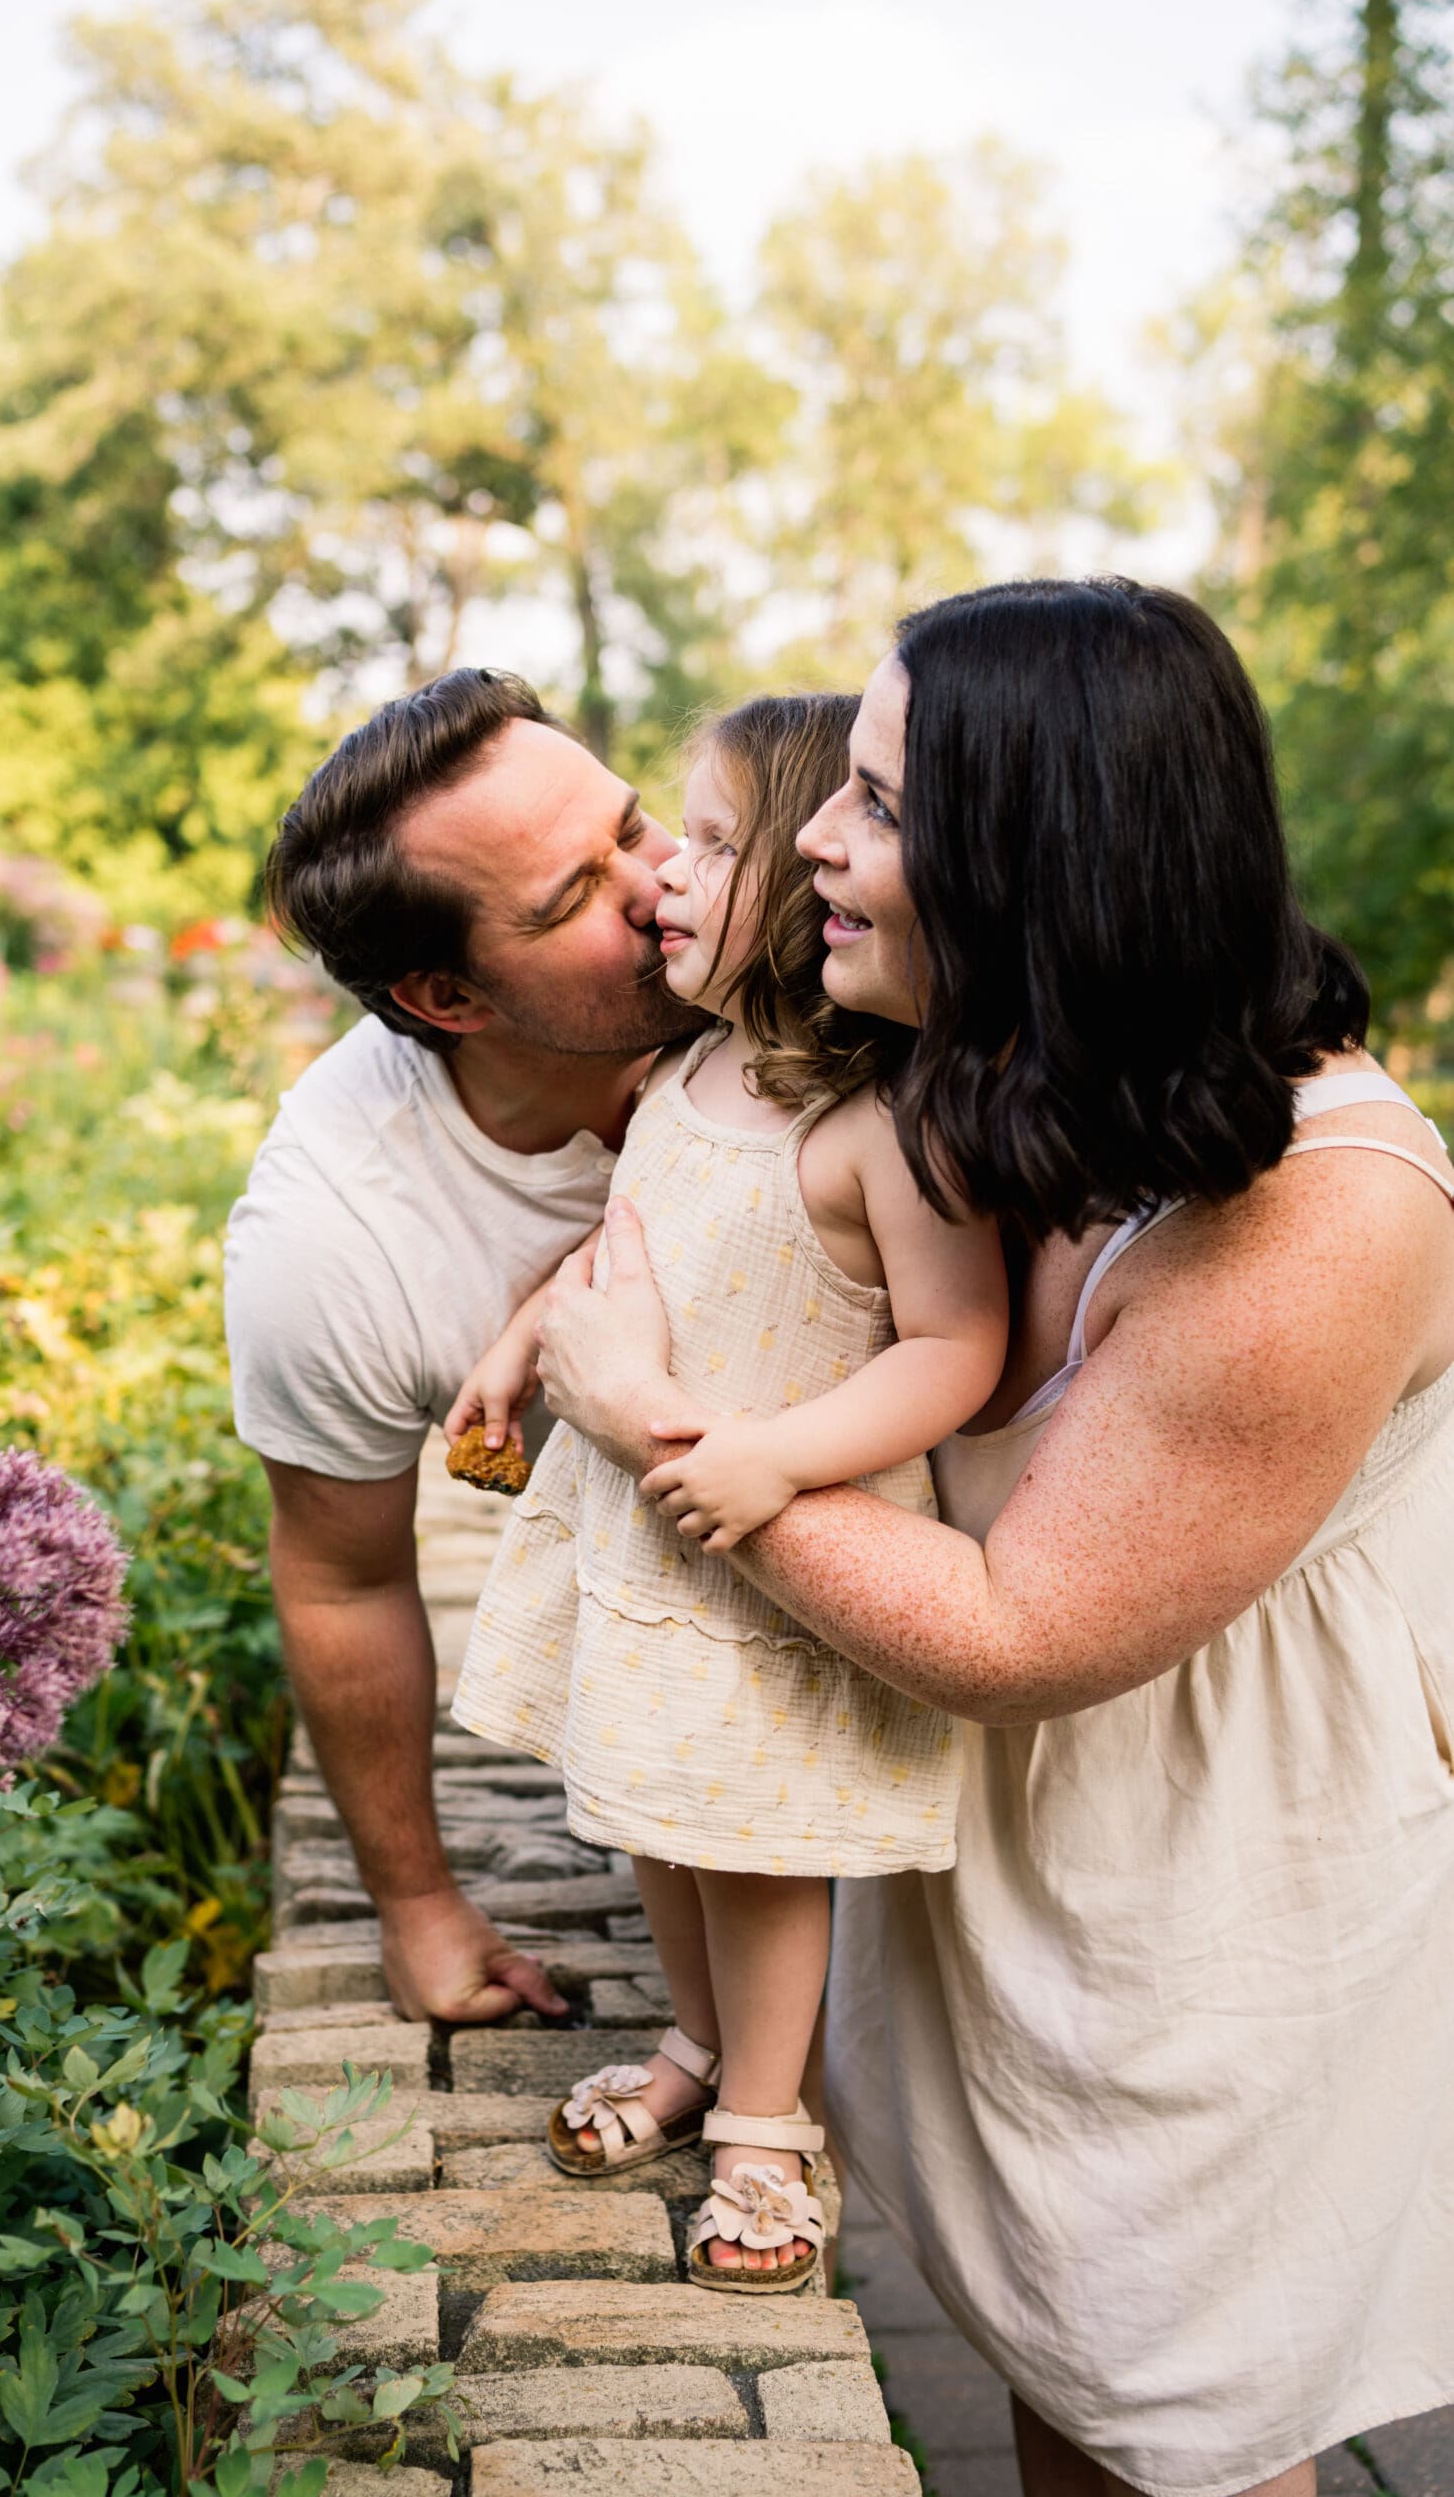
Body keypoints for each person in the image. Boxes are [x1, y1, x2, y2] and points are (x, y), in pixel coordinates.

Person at [531, 580, 1454, 2493]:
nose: (815, 848)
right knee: (1061, 2366)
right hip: (1023, 1835)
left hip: (1207, 1879)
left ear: (1046, 860)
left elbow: (1029, 1625)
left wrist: (653, 1428)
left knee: (1176, 2411)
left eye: (873, 806)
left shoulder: (1316, 1217)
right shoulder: (999, 1071)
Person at [447, 694, 1007, 2291]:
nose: (664, 880)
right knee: (655, 1818)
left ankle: (773, 2122)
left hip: (760, 1543)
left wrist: (778, 1459)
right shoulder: (686, 1072)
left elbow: (954, 1348)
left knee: (753, 1847)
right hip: (646, 1540)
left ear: (824, 888)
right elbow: (622, 1247)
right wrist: (515, 1343)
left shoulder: (874, 1132)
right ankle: (694, 2044)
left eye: (707, 843)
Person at [224, 666, 706, 2024]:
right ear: (447, 996)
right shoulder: (333, 1245)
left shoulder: (786, 948)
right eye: (578, 896)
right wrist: (418, 1900)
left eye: (636, 824)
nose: (662, 885)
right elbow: (342, 1580)